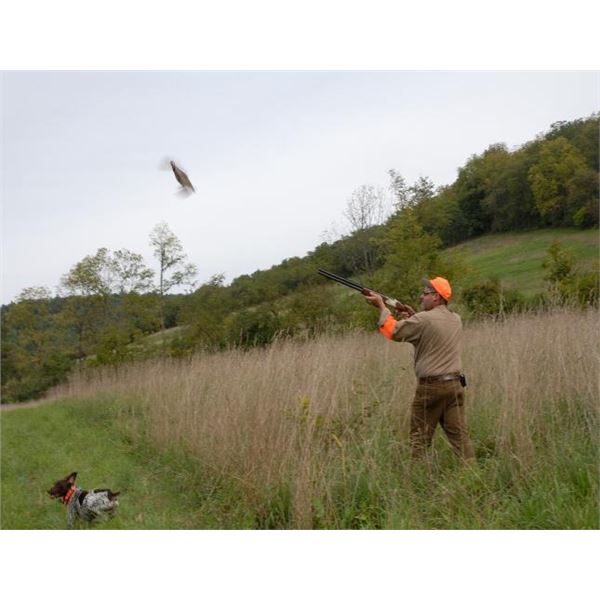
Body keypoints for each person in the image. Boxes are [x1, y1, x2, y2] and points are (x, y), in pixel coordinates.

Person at [363, 277, 475, 461]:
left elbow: (394, 332)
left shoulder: (423, 319)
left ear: (437, 297)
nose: (421, 296)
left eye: (426, 293)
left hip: (431, 389)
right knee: (460, 438)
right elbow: (429, 331)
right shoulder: (456, 319)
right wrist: (413, 316)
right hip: (455, 386)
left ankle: (416, 480)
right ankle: (473, 476)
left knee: (419, 440)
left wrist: (382, 307)